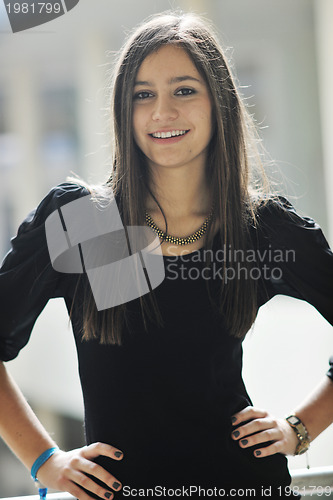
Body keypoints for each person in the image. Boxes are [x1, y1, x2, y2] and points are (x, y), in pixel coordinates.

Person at [0, 11, 333, 500]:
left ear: (218, 103)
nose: (162, 112)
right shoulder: (89, 222)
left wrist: (300, 429)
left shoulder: (258, 231)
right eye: (143, 94)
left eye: (184, 90)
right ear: (124, 110)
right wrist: (46, 461)